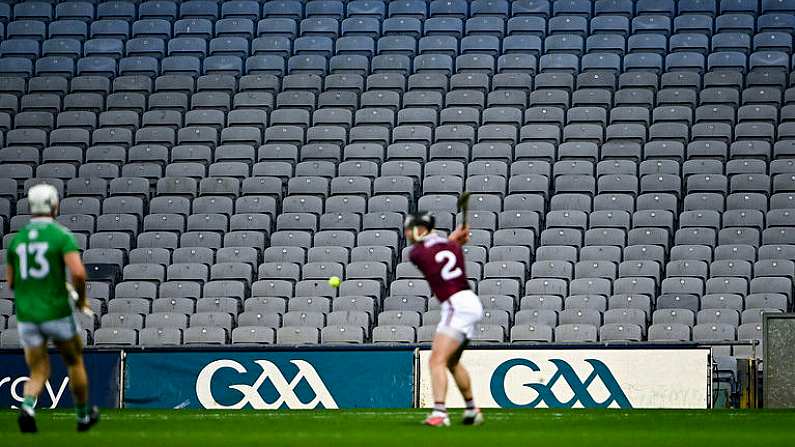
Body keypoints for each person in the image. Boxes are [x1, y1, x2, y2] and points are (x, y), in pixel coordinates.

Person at [7, 184, 100, 433]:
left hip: (28, 315)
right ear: (54, 205)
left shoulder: (17, 240)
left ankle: (27, 407)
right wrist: (80, 299)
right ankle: (82, 416)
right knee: (74, 361)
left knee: (38, 369)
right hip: (57, 311)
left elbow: (12, 282)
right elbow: (78, 273)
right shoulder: (61, 236)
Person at [405, 212, 484, 427]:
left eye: (410, 228)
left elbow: (433, 254)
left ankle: (440, 413)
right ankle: (472, 410)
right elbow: (444, 248)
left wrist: (453, 238)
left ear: (421, 229)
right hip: (470, 301)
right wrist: (454, 239)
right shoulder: (454, 247)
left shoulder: (416, 253)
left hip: (455, 306)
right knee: (452, 361)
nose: (407, 232)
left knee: (435, 360)